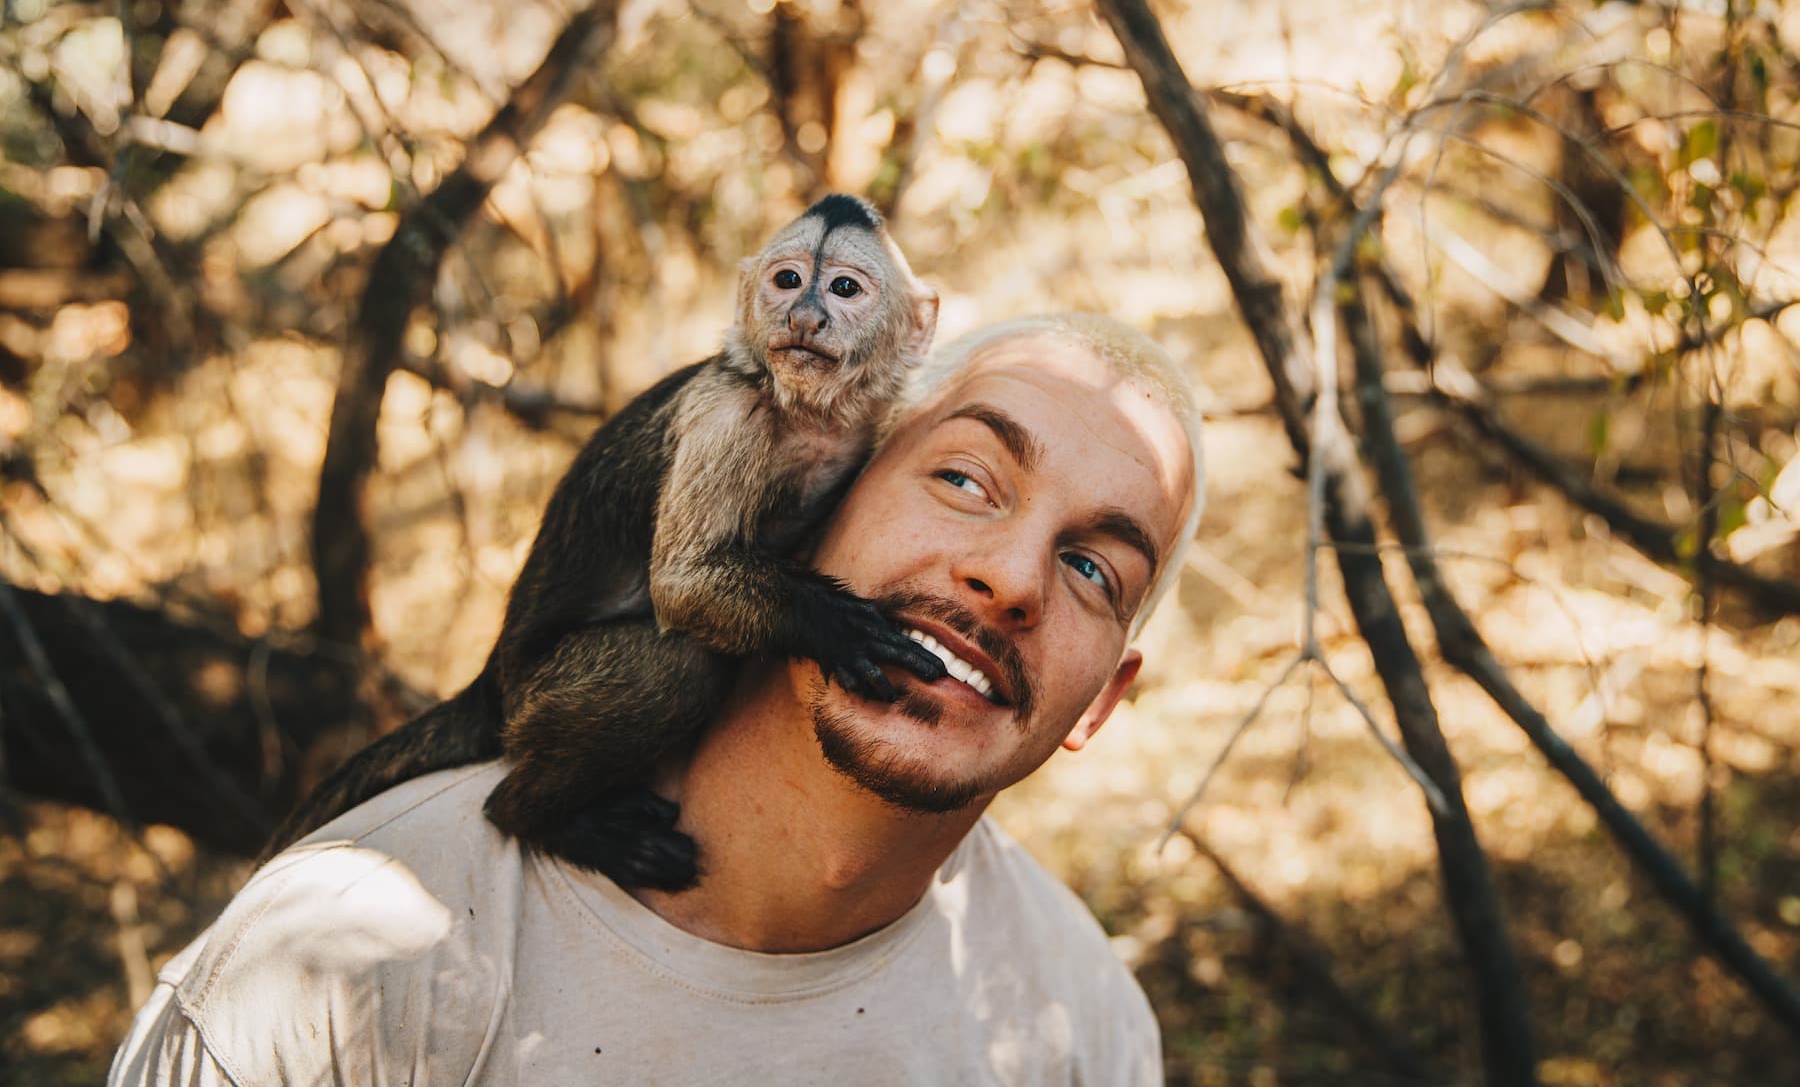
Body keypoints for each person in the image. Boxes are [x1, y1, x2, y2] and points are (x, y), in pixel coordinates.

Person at [109, 312, 1204, 1086]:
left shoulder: (1083, 1022)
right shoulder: (340, 958)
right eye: (963, 479)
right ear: (820, 499)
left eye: (1094, 569)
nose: (1010, 579)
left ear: (1102, 705)